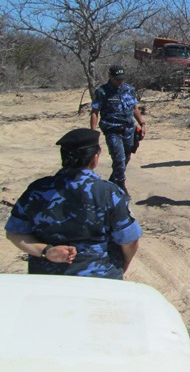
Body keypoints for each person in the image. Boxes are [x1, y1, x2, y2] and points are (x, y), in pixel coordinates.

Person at [4, 128, 142, 279]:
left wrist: (46, 251)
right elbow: (129, 240)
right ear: (95, 158)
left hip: (46, 279)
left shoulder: (37, 190)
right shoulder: (108, 193)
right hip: (100, 277)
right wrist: (123, 264)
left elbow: (15, 233)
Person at [90, 65, 147, 192]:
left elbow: (134, 108)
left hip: (129, 129)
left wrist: (142, 123)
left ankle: (112, 182)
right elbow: (95, 112)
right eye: (117, 79)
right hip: (112, 130)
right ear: (110, 76)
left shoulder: (129, 89)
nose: (120, 82)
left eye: (121, 79)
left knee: (126, 158)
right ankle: (120, 187)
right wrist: (93, 132)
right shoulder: (102, 91)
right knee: (119, 160)